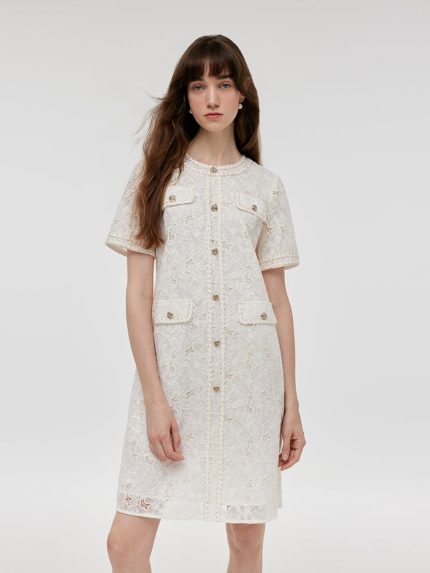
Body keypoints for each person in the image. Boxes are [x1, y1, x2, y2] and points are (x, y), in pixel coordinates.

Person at [105, 34, 306, 573]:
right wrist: (154, 398)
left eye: (224, 84)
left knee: (246, 541)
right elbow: (138, 293)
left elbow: (279, 302)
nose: (212, 97)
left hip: (250, 383)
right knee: (125, 544)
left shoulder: (267, 188)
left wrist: (291, 404)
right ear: (186, 98)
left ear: (243, 96)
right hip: (175, 378)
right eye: (198, 86)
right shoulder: (154, 178)